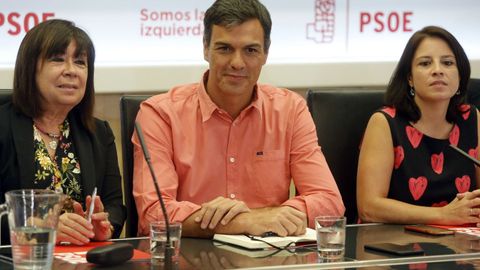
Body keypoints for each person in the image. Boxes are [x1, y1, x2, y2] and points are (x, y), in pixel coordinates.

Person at [133, 0, 344, 238]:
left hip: (270, 259)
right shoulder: (160, 114)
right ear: (205, 48)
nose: (237, 62)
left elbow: (329, 203)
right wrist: (245, 221)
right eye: (224, 48)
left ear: (266, 53)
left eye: (250, 50)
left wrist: (277, 215)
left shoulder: (290, 110)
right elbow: (153, 215)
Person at [0, 19, 126, 245]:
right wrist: (36, 229)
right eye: (57, 60)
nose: (71, 71)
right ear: (30, 69)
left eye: (80, 62)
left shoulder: (99, 133)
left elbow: (115, 205)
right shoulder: (3, 125)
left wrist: (104, 227)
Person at [357, 26, 480, 225]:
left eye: (448, 63)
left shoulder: (471, 119)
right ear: (410, 78)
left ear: (460, 74)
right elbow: (369, 207)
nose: (438, 70)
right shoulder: (385, 122)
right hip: (394, 245)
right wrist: (443, 215)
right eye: (425, 63)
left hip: (461, 245)